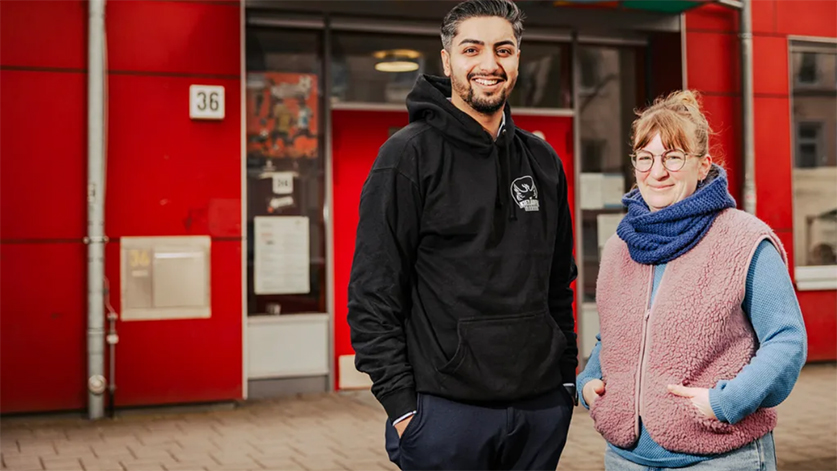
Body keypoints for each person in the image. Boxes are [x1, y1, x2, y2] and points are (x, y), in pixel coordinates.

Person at [347, 1, 578, 469]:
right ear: (447, 59)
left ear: (517, 59)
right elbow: (373, 291)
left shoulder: (543, 162)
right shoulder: (407, 157)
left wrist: (564, 381)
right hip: (445, 415)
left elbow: (558, 282)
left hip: (539, 412)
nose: (489, 64)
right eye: (472, 49)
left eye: (504, 50)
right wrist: (403, 407)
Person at [577, 90, 808, 471]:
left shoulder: (744, 240)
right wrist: (590, 380)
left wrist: (726, 402)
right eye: (646, 158)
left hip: (719, 458)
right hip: (625, 459)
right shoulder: (621, 244)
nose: (658, 171)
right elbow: (616, 335)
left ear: (703, 166)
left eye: (673, 156)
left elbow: (787, 340)